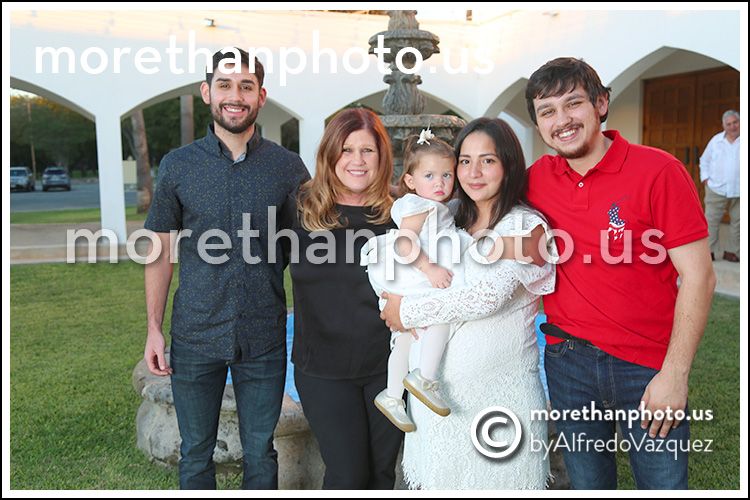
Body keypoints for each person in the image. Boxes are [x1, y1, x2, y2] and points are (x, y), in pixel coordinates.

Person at [524, 57, 716, 489]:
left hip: (646, 365)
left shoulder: (659, 170)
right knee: (588, 486)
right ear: (538, 124)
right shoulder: (536, 180)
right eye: (547, 111)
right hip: (567, 362)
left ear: (601, 103)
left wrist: (675, 374)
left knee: (663, 486)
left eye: (573, 103)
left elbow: (700, 277)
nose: (562, 120)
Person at [143, 48, 310, 490]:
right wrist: (154, 330)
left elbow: (306, 250)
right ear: (207, 92)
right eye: (225, 85)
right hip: (195, 335)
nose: (235, 96)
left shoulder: (288, 168)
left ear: (261, 96)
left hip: (264, 336)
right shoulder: (177, 165)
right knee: (196, 453)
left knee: (261, 452)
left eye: (246, 86)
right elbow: (160, 251)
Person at [380, 117, 557, 489]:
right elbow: (405, 263)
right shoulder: (449, 218)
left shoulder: (525, 226)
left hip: (497, 401)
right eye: (464, 161)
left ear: (509, 165)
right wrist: (394, 292)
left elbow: (486, 297)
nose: (473, 172)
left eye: (487, 160)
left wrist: (405, 310)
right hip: (437, 404)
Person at [289, 108, 403, 489]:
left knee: (381, 475)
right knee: (348, 476)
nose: (358, 160)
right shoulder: (300, 209)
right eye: (347, 149)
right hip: (322, 369)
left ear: (381, 156)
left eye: (368, 150)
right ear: (330, 154)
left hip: (388, 368)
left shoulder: (402, 214)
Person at [361, 129, 472, 431]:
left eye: (447, 175)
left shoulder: (437, 205)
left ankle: (392, 395)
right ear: (410, 181)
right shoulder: (419, 205)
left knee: (405, 338)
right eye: (429, 176)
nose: (440, 183)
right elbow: (404, 242)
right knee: (440, 315)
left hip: (412, 274)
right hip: (414, 272)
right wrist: (429, 268)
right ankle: (425, 377)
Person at [700, 110, 740, 262]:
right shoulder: (715, 141)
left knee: (739, 221)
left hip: (740, 190)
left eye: (735, 122)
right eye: (729, 124)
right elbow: (704, 160)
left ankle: (731, 251)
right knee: (711, 220)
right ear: (724, 126)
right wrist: (705, 179)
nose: (732, 126)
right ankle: (708, 251)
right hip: (716, 188)